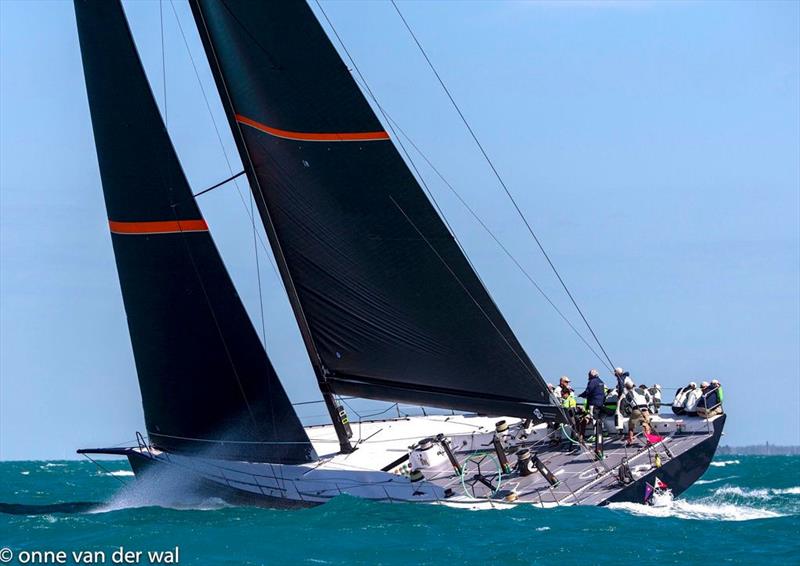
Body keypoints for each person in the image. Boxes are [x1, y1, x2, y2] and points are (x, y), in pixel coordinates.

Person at [622, 380, 652, 446]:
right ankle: (648, 440)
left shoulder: (628, 393)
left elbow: (628, 402)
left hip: (636, 410)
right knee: (646, 424)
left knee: (631, 426)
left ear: (627, 388)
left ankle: (630, 440)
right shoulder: (641, 390)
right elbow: (648, 398)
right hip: (645, 409)